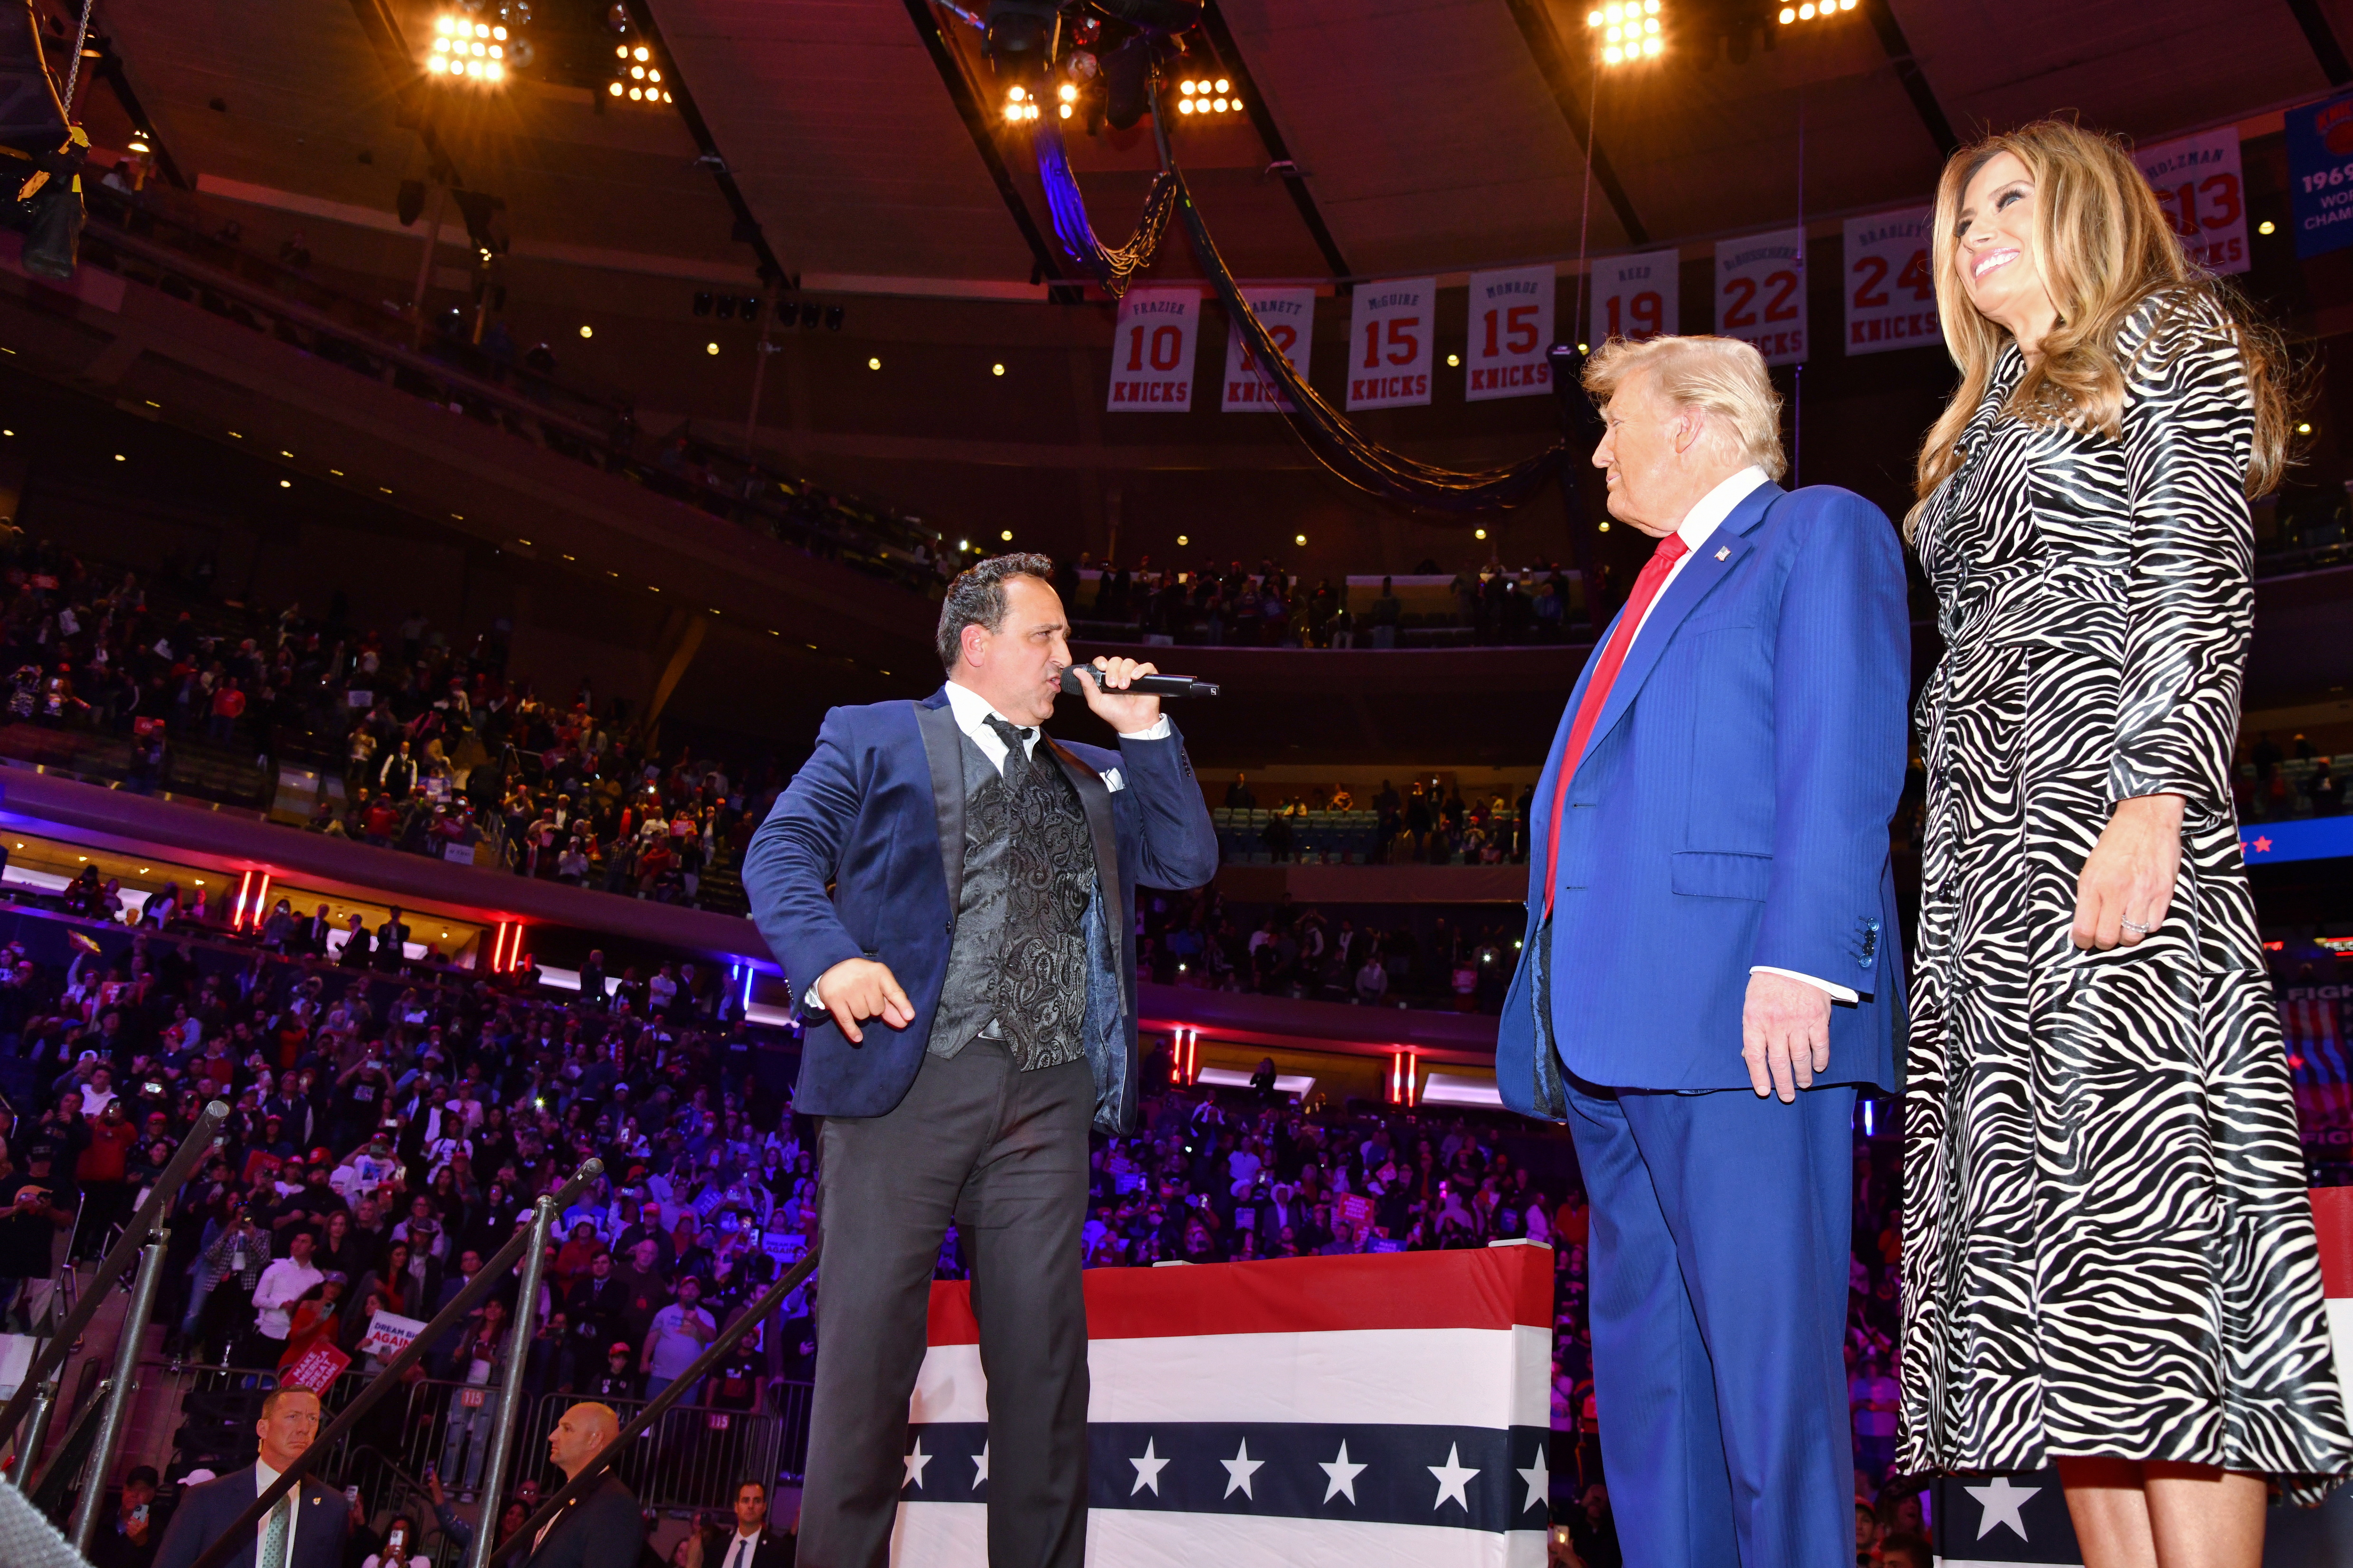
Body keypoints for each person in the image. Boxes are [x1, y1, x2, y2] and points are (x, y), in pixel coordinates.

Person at [1898, 120, 2353, 1560]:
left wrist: (2153, 791)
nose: (1972, 236)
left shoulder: (2166, 329)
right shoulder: (1980, 415)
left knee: (2148, 1254)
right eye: (1960, 217)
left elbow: (2194, 568)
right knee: (2058, 1289)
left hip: (2105, 816)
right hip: (1985, 874)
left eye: (2007, 202)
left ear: (2088, 207)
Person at [1496, 332, 1909, 1568]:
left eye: (1615, 420)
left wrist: (1802, 958)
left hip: (1747, 1016)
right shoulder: (1648, 587)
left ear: (1694, 423)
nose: (1601, 448)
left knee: (1769, 1395)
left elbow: (1842, 749)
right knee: (1652, 1389)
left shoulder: (1816, 531)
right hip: (1617, 1030)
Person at [740, 552, 1218, 1568]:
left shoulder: (1088, 772)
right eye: (1044, 637)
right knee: (868, 1368)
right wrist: (833, 962)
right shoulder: (871, 734)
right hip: (905, 1083)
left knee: (1045, 1374)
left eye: (1064, 640)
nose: (1066, 658)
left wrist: (1144, 730)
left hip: (1046, 1096)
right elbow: (777, 855)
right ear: (976, 643)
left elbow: (1185, 861)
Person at [152, 1387, 349, 1568]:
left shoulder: (331, 1506)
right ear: (263, 1428)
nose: (304, 1428)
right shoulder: (207, 1498)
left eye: (313, 1419)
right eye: (293, 1417)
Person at [522, 1403, 640, 1568]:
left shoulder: (614, 1503)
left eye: (567, 1429)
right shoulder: (571, 1496)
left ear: (595, 1439)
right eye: (558, 1427)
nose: (552, 1436)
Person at [93, 1464, 167, 1568]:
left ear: (151, 1495)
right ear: (124, 1489)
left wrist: (142, 1544)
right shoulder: (102, 1520)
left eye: (142, 1490)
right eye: (132, 1488)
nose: (135, 1494)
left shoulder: (156, 1529)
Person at [711, 1480, 793, 1568]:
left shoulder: (779, 1550)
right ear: (736, 1507)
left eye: (757, 1501)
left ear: (764, 1507)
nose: (751, 1506)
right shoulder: (718, 1547)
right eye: (745, 1501)